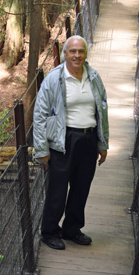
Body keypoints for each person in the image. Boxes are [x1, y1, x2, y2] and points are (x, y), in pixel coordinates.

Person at [33, 35, 109, 250]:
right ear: (65, 53)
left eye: (81, 51)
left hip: (89, 138)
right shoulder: (53, 79)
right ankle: (49, 231)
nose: (77, 55)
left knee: (81, 187)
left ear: (86, 54)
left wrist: (102, 144)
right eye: (72, 51)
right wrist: (42, 149)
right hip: (63, 139)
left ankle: (72, 229)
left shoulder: (93, 77)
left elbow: (102, 111)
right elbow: (39, 115)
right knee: (57, 188)